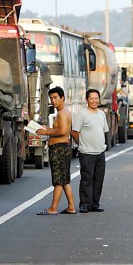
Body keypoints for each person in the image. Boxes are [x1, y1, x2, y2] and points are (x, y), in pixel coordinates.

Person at [36, 86, 76, 215]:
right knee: (64, 180)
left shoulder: (63, 113)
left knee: (59, 180)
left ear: (62, 98)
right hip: (62, 148)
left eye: (55, 98)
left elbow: (63, 131)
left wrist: (46, 131)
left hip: (59, 149)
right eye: (51, 98)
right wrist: (46, 128)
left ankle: (53, 208)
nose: (53, 101)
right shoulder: (63, 112)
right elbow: (59, 129)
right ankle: (71, 207)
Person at [71, 89, 109, 213]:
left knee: (98, 180)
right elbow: (74, 132)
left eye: (96, 98)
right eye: (91, 98)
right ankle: (84, 204)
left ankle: (94, 204)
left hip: (100, 152)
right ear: (87, 100)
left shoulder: (102, 114)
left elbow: (103, 131)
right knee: (87, 179)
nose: (94, 101)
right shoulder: (82, 114)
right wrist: (81, 144)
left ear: (99, 99)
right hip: (86, 153)